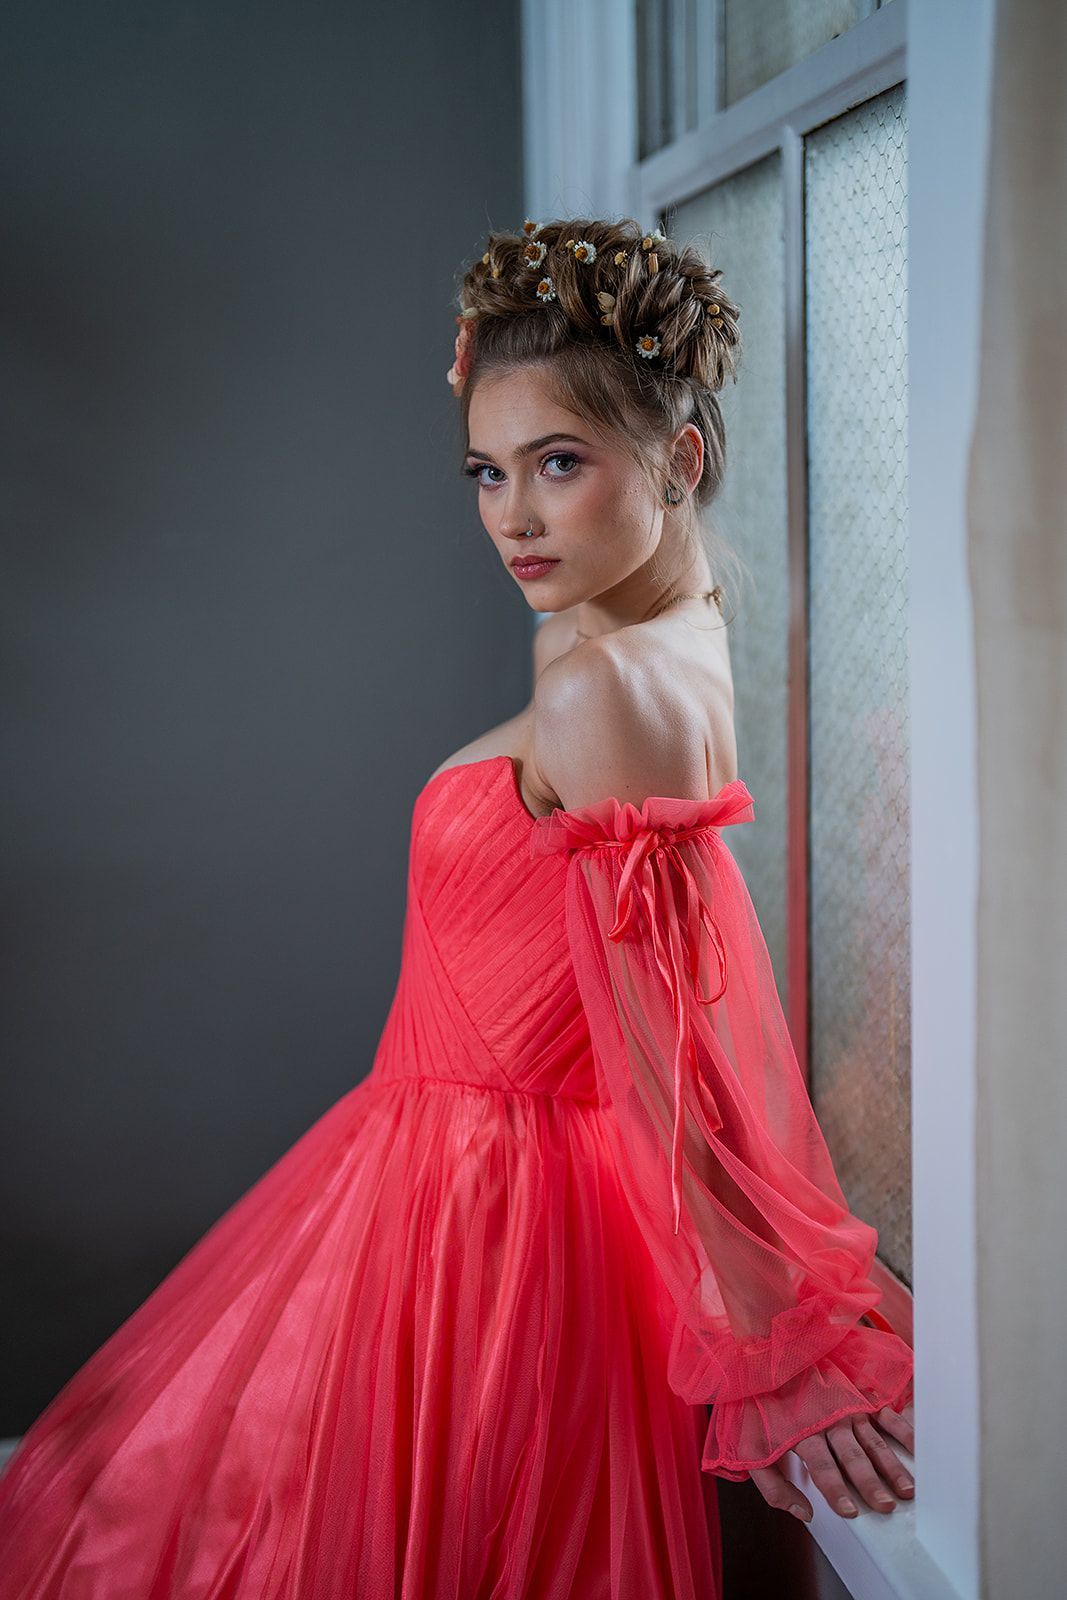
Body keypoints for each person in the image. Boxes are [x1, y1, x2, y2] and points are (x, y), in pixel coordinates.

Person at [0, 216, 914, 1598]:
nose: (513, 518)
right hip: (435, 1173)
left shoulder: (606, 688)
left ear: (684, 459)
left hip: (492, 1218)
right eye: (488, 473)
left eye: (560, 464)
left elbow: (681, 1041)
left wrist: (769, 1342)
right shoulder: (630, 637)